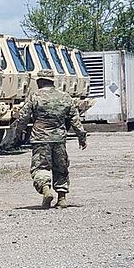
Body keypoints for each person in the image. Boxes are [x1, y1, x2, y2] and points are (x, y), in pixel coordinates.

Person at [19, 69, 88, 209]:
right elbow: (75, 119)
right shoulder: (65, 97)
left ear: (40, 81)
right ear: (52, 82)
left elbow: (23, 116)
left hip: (40, 138)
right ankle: (62, 199)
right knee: (61, 167)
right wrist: (81, 137)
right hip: (59, 139)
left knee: (40, 167)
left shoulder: (34, 96)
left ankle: (46, 190)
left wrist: (19, 131)